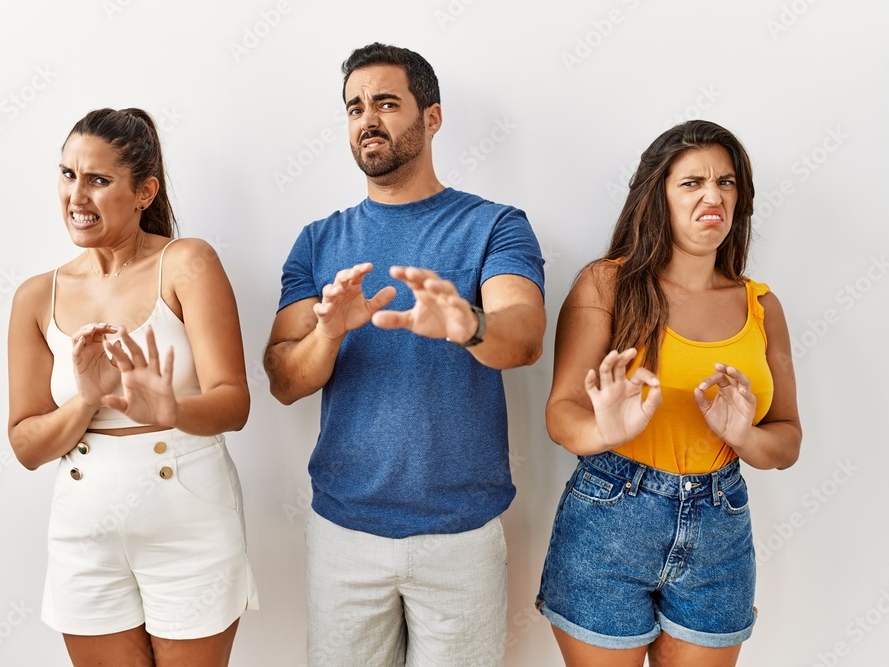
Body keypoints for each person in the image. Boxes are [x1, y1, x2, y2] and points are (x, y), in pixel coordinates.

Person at [264, 43, 546, 666]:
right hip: (345, 533)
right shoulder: (318, 241)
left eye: (386, 103)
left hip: (462, 537)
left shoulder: (495, 225)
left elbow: (523, 337)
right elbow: (283, 378)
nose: (368, 119)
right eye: (354, 107)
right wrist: (328, 334)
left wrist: (468, 323)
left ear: (432, 117)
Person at [536, 120, 801, 666]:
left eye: (727, 183)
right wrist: (605, 430)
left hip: (720, 525)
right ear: (657, 195)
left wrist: (744, 435)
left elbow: (788, 441)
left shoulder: (762, 305)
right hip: (610, 516)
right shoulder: (605, 284)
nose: (714, 196)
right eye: (692, 183)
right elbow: (561, 413)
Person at [7, 108, 257, 667]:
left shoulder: (187, 262)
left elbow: (234, 403)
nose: (77, 195)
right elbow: (26, 445)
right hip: (83, 527)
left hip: (188, 518)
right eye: (68, 174)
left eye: (98, 180)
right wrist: (87, 399)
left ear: (144, 191)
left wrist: (171, 409)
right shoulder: (35, 296)